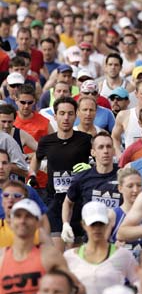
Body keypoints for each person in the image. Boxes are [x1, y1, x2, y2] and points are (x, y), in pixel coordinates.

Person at [30, 96, 92, 251]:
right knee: (57, 250)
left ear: (76, 115)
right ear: (55, 116)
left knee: (74, 251)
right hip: (54, 201)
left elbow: (100, 160)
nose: (66, 118)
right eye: (62, 113)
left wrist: (90, 167)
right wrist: (31, 176)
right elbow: (36, 159)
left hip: (78, 201)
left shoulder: (86, 140)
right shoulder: (46, 141)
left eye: (70, 114)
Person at [0, 199, 84, 294]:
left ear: (38, 223)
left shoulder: (50, 256)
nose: (22, 221)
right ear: (10, 222)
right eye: (18, 216)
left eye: (28, 216)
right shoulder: (2, 258)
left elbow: (78, 288)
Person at [64, 201, 138, 294]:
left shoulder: (124, 255)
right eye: (93, 224)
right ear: (83, 224)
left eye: (101, 224)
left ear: (107, 224)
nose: (97, 228)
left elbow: (139, 282)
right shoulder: (69, 257)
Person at [61, 132, 120, 243]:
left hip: (118, 239)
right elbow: (68, 202)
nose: (106, 151)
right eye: (101, 147)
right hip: (91, 239)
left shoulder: (123, 175)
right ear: (93, 152)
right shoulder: (82, 177)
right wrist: (66, 224)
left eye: (109, 146)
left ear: (113, 150)